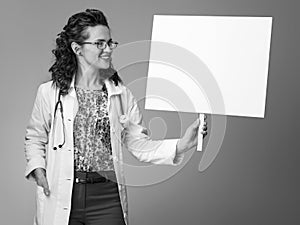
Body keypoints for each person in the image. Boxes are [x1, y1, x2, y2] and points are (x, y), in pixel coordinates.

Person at [24, 9, 208, 225]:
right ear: (77, 49)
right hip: (62, 191)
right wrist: (38, 169)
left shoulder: (120, 94)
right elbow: (35, 137)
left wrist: (181, 144)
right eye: (99, 43)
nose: (108, 49)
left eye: (110, 43)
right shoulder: (50, 92)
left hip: (107, 196)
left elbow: (138, 144)